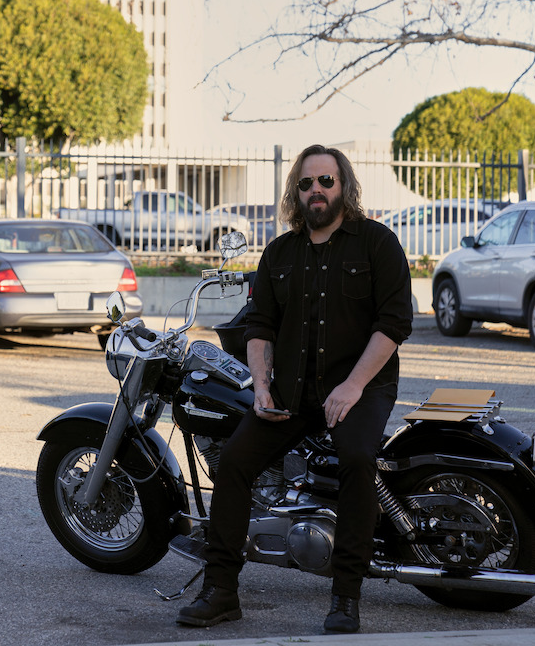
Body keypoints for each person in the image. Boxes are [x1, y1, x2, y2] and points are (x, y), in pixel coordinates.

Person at [175, 144, 413, 635]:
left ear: (343, 185)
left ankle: (345, 596)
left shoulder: (377, 243)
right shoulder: (280, 252)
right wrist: (261, 388)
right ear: (295, 193)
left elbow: (394, 323)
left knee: (356, 460)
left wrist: (352, 386)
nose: (316, 191)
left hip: (360, 388)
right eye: (306, 184)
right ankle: (220, 591)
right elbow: (259, 326)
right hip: (290, 393)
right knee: (236, 459)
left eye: (326, 181)